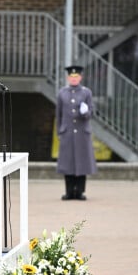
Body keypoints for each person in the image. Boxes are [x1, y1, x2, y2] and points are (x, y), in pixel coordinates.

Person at [56, 65, 97, 201]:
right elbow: (59, 114)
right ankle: (69, 192)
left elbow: (91, 112)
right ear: (68, 78)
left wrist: (85, 113)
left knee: (81, 162)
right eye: (71, 77)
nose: (74, 79)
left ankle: (79, 192)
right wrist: (59, 131)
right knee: (68, 163)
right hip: (67, 132)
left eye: (76, 76)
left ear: (80, 77)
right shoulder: (62, 93)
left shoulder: (86, 93)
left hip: (82, 133)